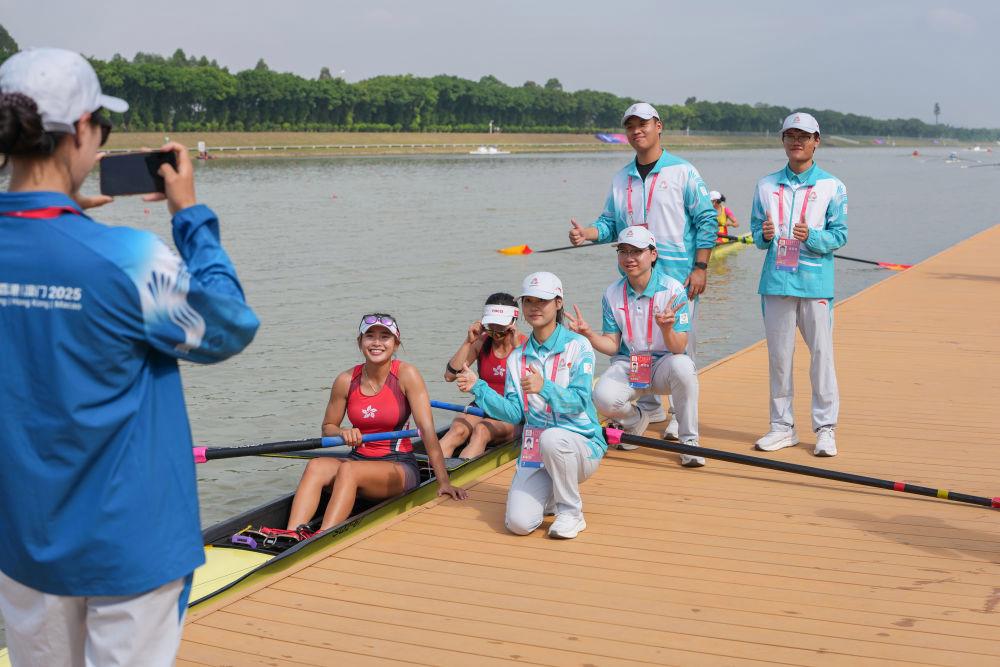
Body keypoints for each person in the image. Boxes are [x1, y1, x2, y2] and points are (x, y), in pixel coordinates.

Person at [0, 48, 259, 666]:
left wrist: (48, 218)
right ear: (82, 129)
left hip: (23, 541)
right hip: (131, 544)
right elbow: (229, 324)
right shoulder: (125, 258)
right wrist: (189, 213)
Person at [568, 102, 717, 440]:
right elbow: (609, 224)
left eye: (643, 124)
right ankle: (649, 407)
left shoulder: (682, 171)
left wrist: (701, 266)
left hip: (678, 277)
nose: (637, 131)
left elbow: (706, 219)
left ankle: (679, 415)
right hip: (634, 278)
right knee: (638, 342)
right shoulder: (622, 178)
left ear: (658, 126)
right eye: (630, 126)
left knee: (680, 348)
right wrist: (587, 233)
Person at [284, 313, 468, 534]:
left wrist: (443, 481)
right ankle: (290, 534)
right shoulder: (345, 380)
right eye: (370, 336)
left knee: (349, 470)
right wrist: (343, 432)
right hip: (358, 460)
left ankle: (322, 537)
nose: (377, 343)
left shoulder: (407, 375)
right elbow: (328, 427)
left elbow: (427, 431)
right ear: (360, 342)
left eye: (385, 337)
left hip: (399, 466)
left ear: (396, 343)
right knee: (316, 465)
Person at [456, 272, 606, 540]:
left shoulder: (578, 346)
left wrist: (544, 387)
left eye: (543, 301)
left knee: (552, 438)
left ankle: (571, 513)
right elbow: (514, 413)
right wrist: (479, 387)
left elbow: (580, 401)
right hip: (536, 451)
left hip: (581, 446)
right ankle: (552, 495)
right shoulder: (517, 358)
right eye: (528, 301)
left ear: (558, 303)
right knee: (519, 524)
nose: (534, 307)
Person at [749, 112, 848, 457]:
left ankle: (825, 428)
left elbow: (840, 235)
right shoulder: (766, 185)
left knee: (821, 356)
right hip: (776, 281)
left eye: (804, 136)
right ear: (783, 140)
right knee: (779, 357)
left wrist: (813, 237)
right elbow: (757, 234)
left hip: (815, 282)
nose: (797, 142)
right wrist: (763, 235)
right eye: (790, 135)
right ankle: (782, 427)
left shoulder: (832, 186)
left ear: (816, 141)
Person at [566, 227, 704, 467]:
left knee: (684, 367)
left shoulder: (673, 290)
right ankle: (635, 420)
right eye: (623, 251)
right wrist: (588, 334)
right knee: (602, 397)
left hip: (664, 364)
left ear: (653, 254)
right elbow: (612, 345)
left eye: (636, 251)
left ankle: (689, 441)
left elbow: (679, 347)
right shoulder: (611, 293)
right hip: (630, 365)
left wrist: (667, 329)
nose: (629, 258)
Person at [440, 293, 526, 459]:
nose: (495, 332)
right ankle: (434, 472)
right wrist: (468, 342)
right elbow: (450, 376)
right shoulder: (481, 342)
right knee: (457, 429)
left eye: (500, 326)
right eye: (490, 325)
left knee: (482, 430)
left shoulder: (526, 345)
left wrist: (518, 351)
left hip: (511, 413)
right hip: (483, 406)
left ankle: (461, 472)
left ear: (513, 322)